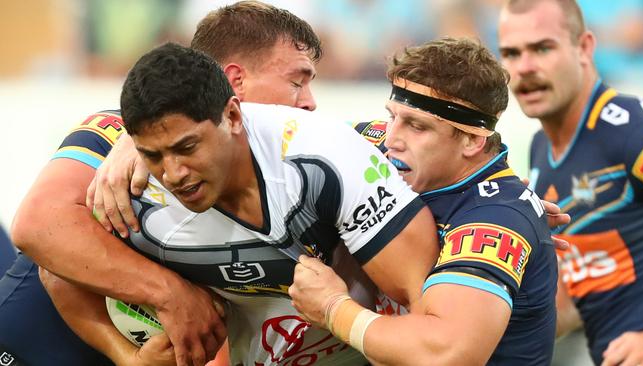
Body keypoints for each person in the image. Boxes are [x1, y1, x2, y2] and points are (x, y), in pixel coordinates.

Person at [9, 2, 321, 365]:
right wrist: (168, 294)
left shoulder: (282, 177)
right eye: (297, 81)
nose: (311, 104)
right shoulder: (117, 129)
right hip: (31, 348)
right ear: (235, 80)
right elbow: (38, 226)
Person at [92, 41, 437, 365]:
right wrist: (129, 356)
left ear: (233, 117)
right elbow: (52, 257)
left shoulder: (326, 160)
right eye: (152, 155)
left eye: (187, 148)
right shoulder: (135, 195)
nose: (174, 173)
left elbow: (434, 339)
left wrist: (335, 310)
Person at [288, 38, 558, 365]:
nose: (391, 140)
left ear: (472, 139)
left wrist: (333, 309)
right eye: (392, 116)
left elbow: (446, 354)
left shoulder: (497, 218)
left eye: (417, 126)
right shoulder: (381, 143)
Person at [497, 0, 643, 365]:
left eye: (542, 48)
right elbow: (575, 291)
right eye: (511, 53)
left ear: (584, 47)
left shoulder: (633, 130)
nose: (525, 67)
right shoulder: (540, 151)